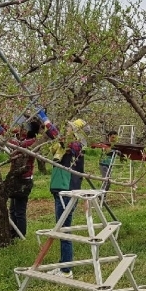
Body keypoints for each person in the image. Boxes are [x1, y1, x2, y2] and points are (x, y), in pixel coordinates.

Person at [48, 118, 89, 279]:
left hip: (66, 192)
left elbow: (55, 134)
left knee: (64, 231)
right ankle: (64, 266)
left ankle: (66, 270)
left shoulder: (76, 145)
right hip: (62, 190)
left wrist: (44, 118)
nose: (67, 129)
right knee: (62, 229)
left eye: (70, 127)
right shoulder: (68, 145)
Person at [6, 120, 40, 238]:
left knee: (19, 210)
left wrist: (3, 132)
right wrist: (4, 128)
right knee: (12, 209)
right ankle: (13, 233)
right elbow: (16, 135)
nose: (23, 131)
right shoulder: (27, 140)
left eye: (26, 129)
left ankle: (20, 235)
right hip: (16, 177)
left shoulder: (32, 143)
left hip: (24, 180)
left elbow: (17, 145)